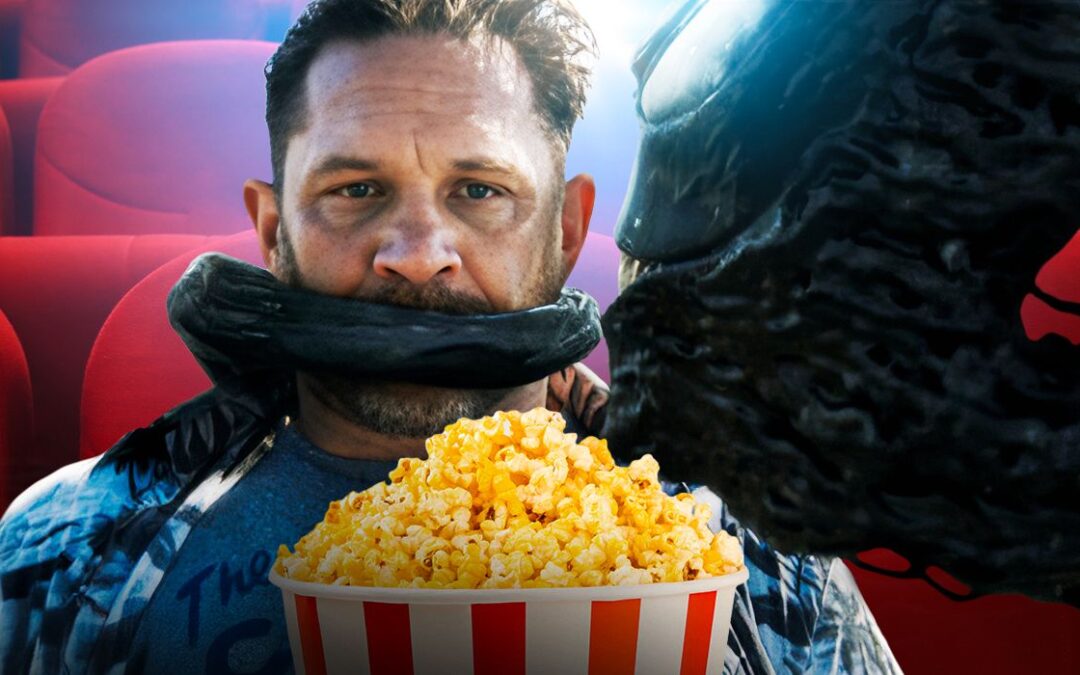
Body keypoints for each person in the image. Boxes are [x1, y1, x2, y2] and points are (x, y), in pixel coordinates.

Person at [0, 1, 899, 673]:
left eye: (479, 191)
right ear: (272, 233)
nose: (418, 256)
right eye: (356, 189)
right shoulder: (61, 545)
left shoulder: (751, 544)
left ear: (567, 231)